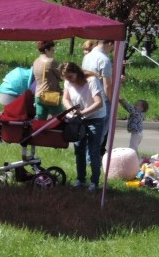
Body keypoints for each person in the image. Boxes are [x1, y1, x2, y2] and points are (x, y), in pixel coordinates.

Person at [60, 62, 106, 191]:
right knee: (79, 149)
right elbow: (65, 99)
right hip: (78, 119)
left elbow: (99, 103)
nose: (68, 80)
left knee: (93, 151)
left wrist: (83, 113)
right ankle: (80, 180)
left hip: (95, 118)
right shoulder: (68, 82)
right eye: (66, 77)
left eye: (70, 77)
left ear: (77, 73)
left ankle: (94, 183)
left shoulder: (91, 80)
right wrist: (71, 110)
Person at [32, 40, 62, 118]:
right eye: (52, 49)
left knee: (40, 121)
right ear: (46, 50)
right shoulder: (51, 61)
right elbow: (60, 76)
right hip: (49, 95)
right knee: (60, 118)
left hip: (38, 95)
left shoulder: (35, 61)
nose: (53, 50)